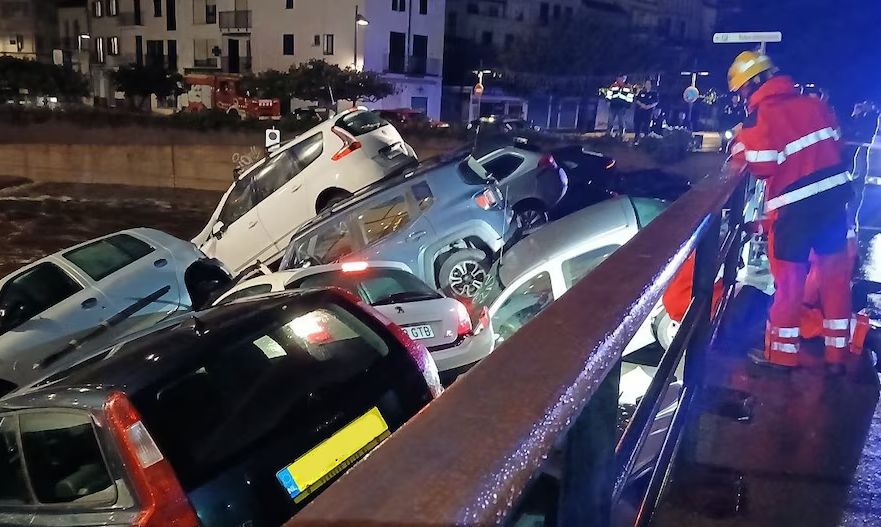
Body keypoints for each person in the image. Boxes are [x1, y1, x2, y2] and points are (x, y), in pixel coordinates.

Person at [728, 51, 855, 374]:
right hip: (832, 204)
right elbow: (837, 148)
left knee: (790, 285)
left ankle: (782, 356)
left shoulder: (761, 117)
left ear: (754, 83)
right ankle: (836, 358)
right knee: (835, 280)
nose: (743, 97)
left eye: (742, 90)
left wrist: (740, 141)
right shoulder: (815, 104)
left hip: (794, 213)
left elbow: (763, 165)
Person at [848, 102, 880, 231]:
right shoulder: (869, 115)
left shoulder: (872, 116)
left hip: (863, 141)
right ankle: (858, 175)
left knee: (861, 158)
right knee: (858, 158)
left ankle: (859, 176)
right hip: (860, 141)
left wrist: (858, 116)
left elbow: (864, 128)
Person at [606, 74, 634, 140]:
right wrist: (608, 101)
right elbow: (609, 94)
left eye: (623, 78)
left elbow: (630, 97)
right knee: (610, 120)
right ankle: (609, 134)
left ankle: (621, 135)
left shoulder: (628, 87)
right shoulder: (613, 85)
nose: (621, 79)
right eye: (620, 78)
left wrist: (627, 106)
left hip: (622, 107)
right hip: (613, 106)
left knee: (621, 121)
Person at [633, 80, 658, 145]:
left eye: (648, 84)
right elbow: (636, 99)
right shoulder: (641, 92)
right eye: (646, 83)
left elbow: (656, 102)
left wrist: (649, 106)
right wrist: (642, 105)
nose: (647, 85)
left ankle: (646, 140)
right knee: (638, 125)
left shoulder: (654, 93)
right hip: (640, 111)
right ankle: (636, 138)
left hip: (648, 112)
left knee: (646, 125)